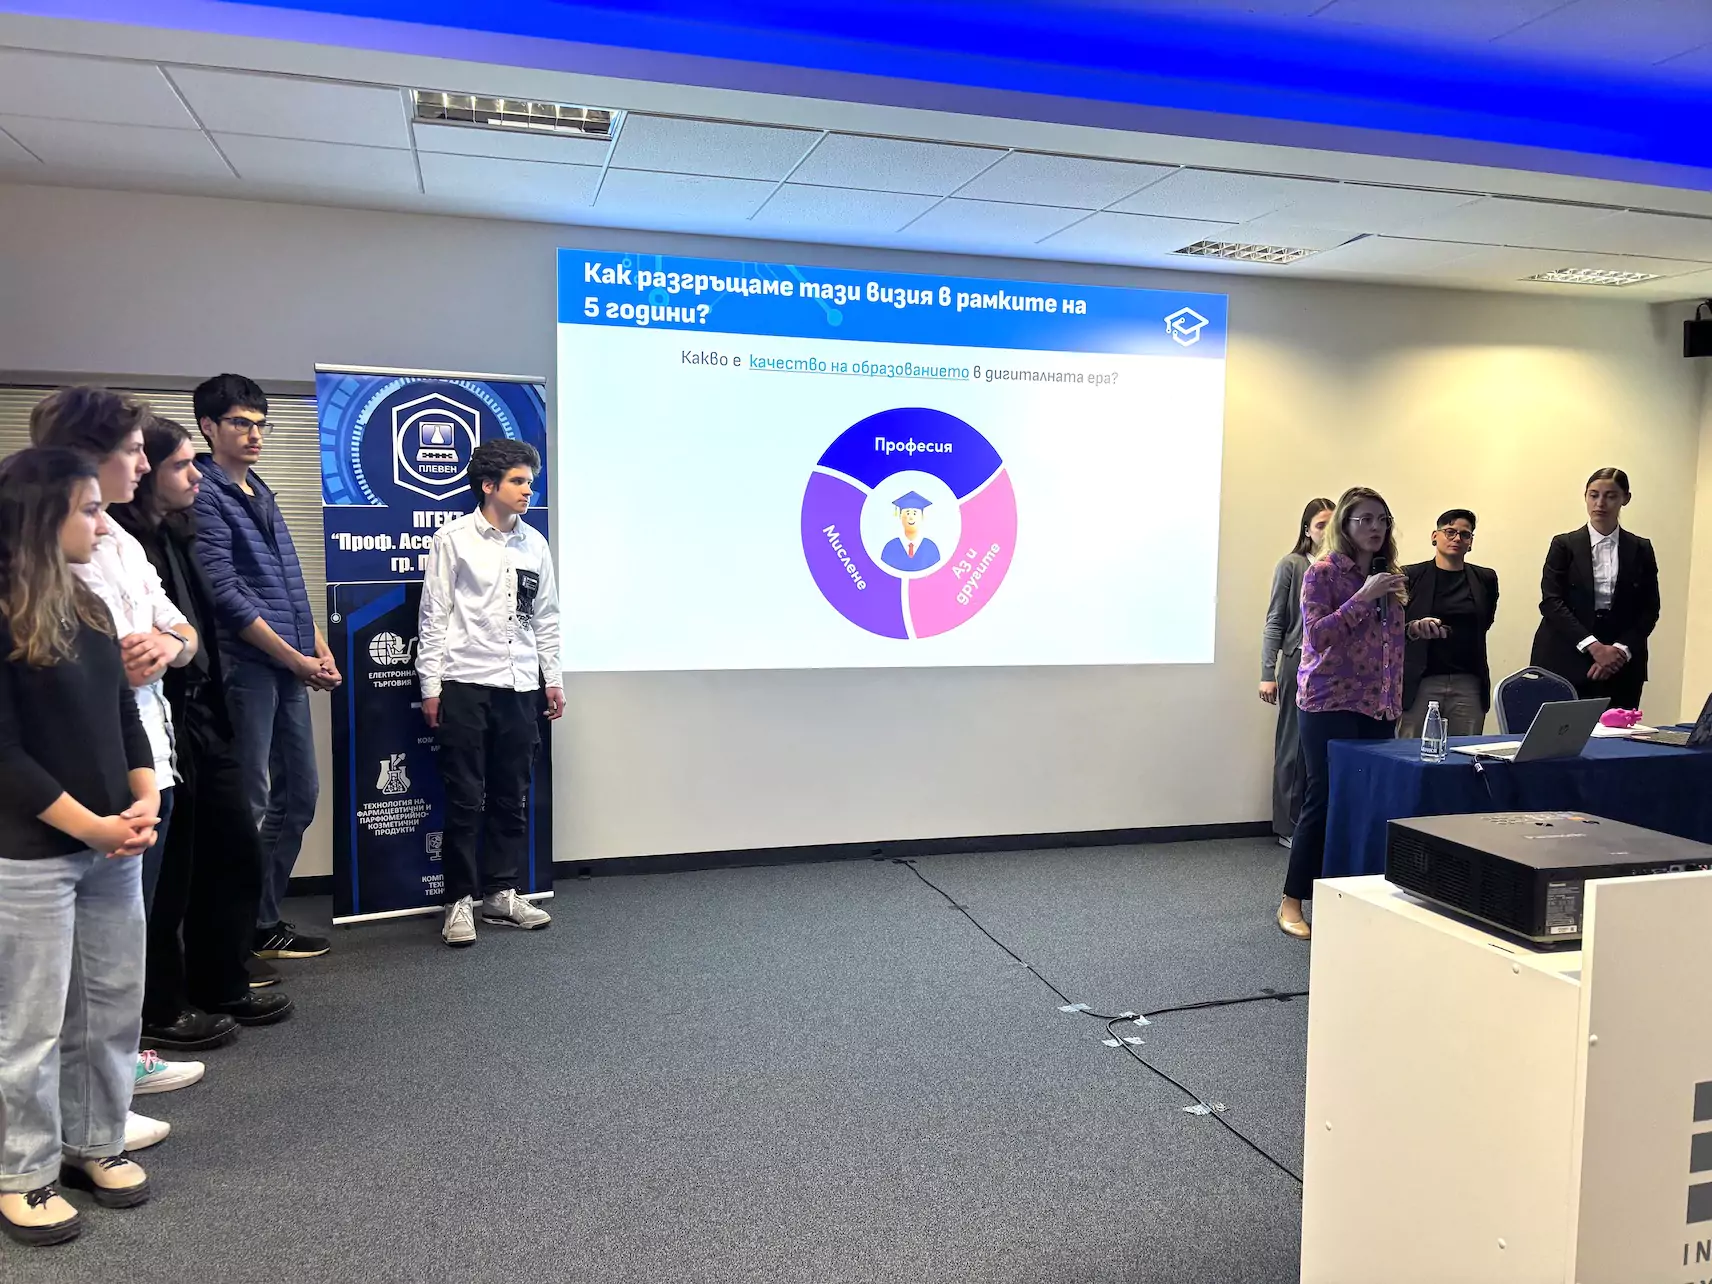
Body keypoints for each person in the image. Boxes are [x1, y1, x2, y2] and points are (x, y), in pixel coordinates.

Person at [28, 388, 210, 1128]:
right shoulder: (39, 557)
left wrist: (167, 645)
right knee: (66, 973)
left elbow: (183, 632)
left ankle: (110, 1085)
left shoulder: (125, 541)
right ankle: (78, 1112)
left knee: (116, 957)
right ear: (86, 453)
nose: (143, 463)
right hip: (76, 782)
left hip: (147, 764)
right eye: (134, 450)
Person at [0, 448, 159, 1246]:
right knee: (30, 1025)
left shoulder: (88, 604)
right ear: (41, 517)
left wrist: (144, 793)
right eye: (89, 510)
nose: (103, 525)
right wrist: (94, 826)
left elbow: (123, 714)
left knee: (109, 1006)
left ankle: (93, 1142)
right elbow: (4, 756)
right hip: (32, 854)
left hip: (111, 846)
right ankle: (22, 1172)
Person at [111, 416, 294, 1043]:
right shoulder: (118, 540)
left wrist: (175, 644)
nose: (195, 476)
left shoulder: (177, 531)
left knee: (232, 848)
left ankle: (221, 982)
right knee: (168, 874)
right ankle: (160, 1008)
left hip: (202, 711)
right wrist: (173, 645)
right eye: (180, 465)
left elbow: (185, 634)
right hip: (151, 724)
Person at [191, 374, 337, 961]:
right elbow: (227, 598)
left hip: (287, 666)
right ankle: (224, 943)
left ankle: (260, 922)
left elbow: (288, 587)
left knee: (299, 794)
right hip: (247, 670)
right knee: (246, 805)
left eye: (260, 425)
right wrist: (297, 659)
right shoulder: (204, 493)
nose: (254, 435)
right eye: (240, 423)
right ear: (209, 427)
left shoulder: (260, 489)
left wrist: (318, 648)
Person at [417, 439, 563, 948]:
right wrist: (430, 685)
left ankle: (501, 893)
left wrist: (553, 679)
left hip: (520, 685)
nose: (527, 491)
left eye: (530, 482)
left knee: (511, 795)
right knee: (464, 797)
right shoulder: (453, 539)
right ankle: (459, 900)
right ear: (488, 485)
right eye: (518, 481)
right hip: (465, 682)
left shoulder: (535, 544)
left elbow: (545, 616)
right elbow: (433, 616)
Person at [1278, 487, 1441, 941]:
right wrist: (1363, 597)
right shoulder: (1322, 573)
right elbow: (1317, 637)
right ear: (1344, 525)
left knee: (1368, 799)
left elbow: (1378, 638)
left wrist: (1413, 629)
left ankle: (1355, 896)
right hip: (1329, 702)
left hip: (1379, 702)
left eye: (1382, 519)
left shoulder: (1390, 575)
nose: (1375, 527)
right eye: (1365, 519)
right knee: (1324, 798)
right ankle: (1292, 900)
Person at [1530, 468, 1661, 714]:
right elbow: (1551, 602)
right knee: (1560, 731)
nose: (1600, 503)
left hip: (1620, 660)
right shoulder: (1563, 545)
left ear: (1626, 498)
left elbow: (1649, 609)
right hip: (1565, 652)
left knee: (1617, 731)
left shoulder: (1641, 548)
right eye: (1594, 495)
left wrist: (1618, 651)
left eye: (1610, 496)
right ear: (1585, 497)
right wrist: (1595, 648)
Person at [1260, 497, 1335, 847]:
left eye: (1332, 524)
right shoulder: (1292, 565)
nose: (1326, 531)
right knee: (1293, 745)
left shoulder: (1344, 568)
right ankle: (1287, 826)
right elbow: (1275, 620)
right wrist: (1267, 672)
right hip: (1297, 662)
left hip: (1334, 668)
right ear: (1307, 530)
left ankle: (1316, 825)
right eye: (1320, 525)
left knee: (1321, 748)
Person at [1399, 509, 1500, 738]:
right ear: (1434, 536)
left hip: (1468, 682)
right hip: (1421, 681)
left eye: (1465, 534)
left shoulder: (1485, 578)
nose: (1457, 538)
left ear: (1471, 542)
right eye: (1450, 532)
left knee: (1463, 751)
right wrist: (1416, 627)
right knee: (1411, 750)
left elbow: (1485, 621)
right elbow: (1396, 629)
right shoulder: (1410, 576)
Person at [880, 491, 942, 572]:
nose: (911, 518)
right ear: (900, 516)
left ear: (922, 516)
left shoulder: (931, 548)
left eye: (915, 513)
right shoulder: (890, 548)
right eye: (907, 513)